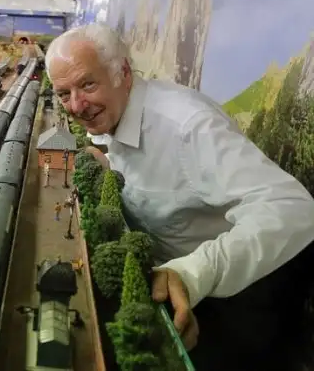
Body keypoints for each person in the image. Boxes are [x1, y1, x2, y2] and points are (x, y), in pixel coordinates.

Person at [46, 23, 314, 371]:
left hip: (239, 297)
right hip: (179, 282)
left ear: (122, 72)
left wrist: (192, 273)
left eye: (87, 85)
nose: (76, 105)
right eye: (63, 94)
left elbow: (293, 209)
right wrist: (107, 164)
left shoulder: (187, 126)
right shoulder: (115, 111)